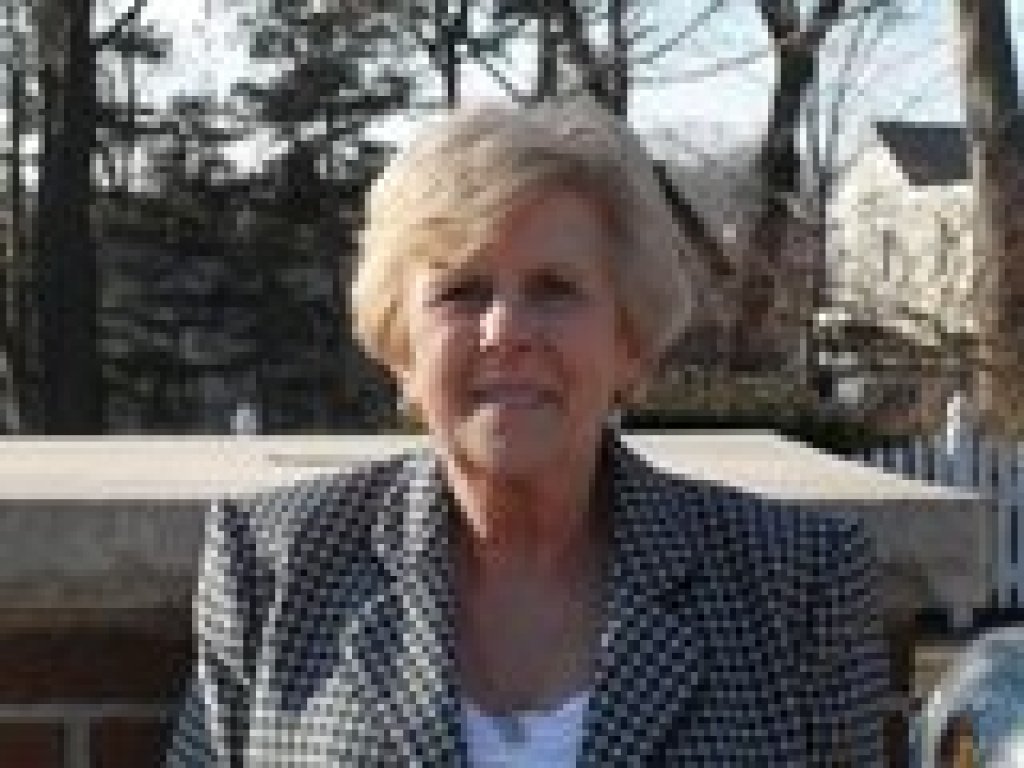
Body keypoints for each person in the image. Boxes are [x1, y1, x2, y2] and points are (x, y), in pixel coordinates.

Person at [164, 97, 889, 766]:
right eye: (462, 291)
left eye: (554, 289)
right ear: (401, 347)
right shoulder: (276, 567)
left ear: (629, 339)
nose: (505, 330)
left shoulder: (798, 586)